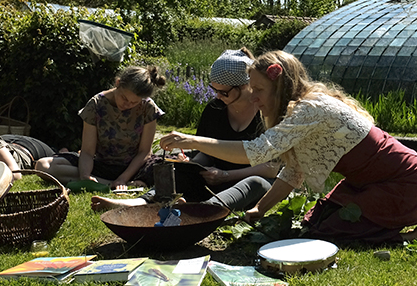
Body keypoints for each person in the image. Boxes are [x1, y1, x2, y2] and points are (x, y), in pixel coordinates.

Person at [160, 50, 417, 245]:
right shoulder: (299, 112)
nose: (253, 98)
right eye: (250, 89)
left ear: (281, 86)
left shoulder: (311, 108)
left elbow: (257, 151)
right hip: (367, 181)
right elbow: (293, 171)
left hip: (401, 179)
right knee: (312, 223)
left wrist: (192, 140)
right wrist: (260, 210)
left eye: (259, 90)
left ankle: (404, 236)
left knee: (330, 233)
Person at [91, 48, 280, 211]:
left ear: (246, 86)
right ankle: (141, 202)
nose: (218, 96)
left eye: (224, 92)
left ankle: (207, 210)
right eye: (214, 90)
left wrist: (226, 175)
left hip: (250, 179)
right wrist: (194, 164)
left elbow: (272, 167)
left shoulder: (266, 113)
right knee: (179, 173)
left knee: (254, 183)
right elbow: (206, 152)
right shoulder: (215, 109)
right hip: (213, 178)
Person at [35, 65, 166, 191]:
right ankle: (113, 184)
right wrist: (85, 175)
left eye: (134, 102)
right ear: (118, 83)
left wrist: (123, 178)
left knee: (166, 170)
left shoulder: (148, 107)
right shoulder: (96, 104)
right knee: (43, 166)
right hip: (101, 165)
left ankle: (118, 182)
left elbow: (144, 152)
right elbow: (87, 151)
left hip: (133, 167)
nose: (127, 105)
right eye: (124, 98)